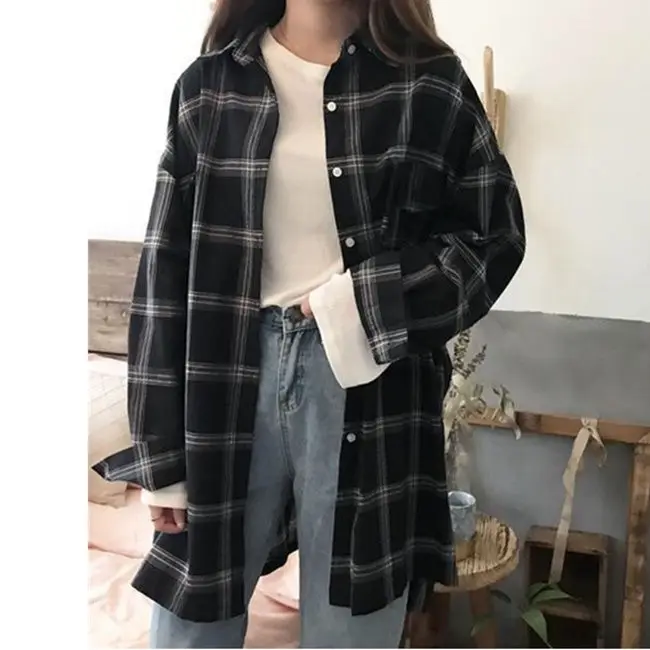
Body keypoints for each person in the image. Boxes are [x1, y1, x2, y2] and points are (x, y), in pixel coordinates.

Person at [93, 0, 526, 647]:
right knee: (189, 627)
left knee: (354, 627)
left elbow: (493, 237)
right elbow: (164, 277)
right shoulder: (210, 87)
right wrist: (163, 456)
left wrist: (364, 302)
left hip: (367, 382)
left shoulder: (428, 82)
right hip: (225, 380)